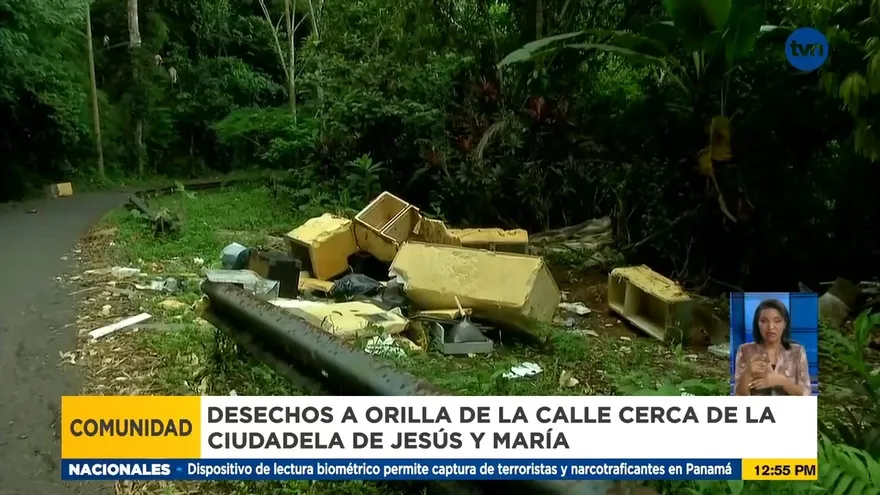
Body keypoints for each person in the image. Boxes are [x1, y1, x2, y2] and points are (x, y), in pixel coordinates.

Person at [734, 298, 811, 396]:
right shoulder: (745, 350)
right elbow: (739, 395)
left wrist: (782, 381)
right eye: (764, 321)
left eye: (777, 321)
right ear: (757, 324)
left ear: (785, 324)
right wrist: (747, 373)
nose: (770, 327)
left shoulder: (797, 352)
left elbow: (806, 393)